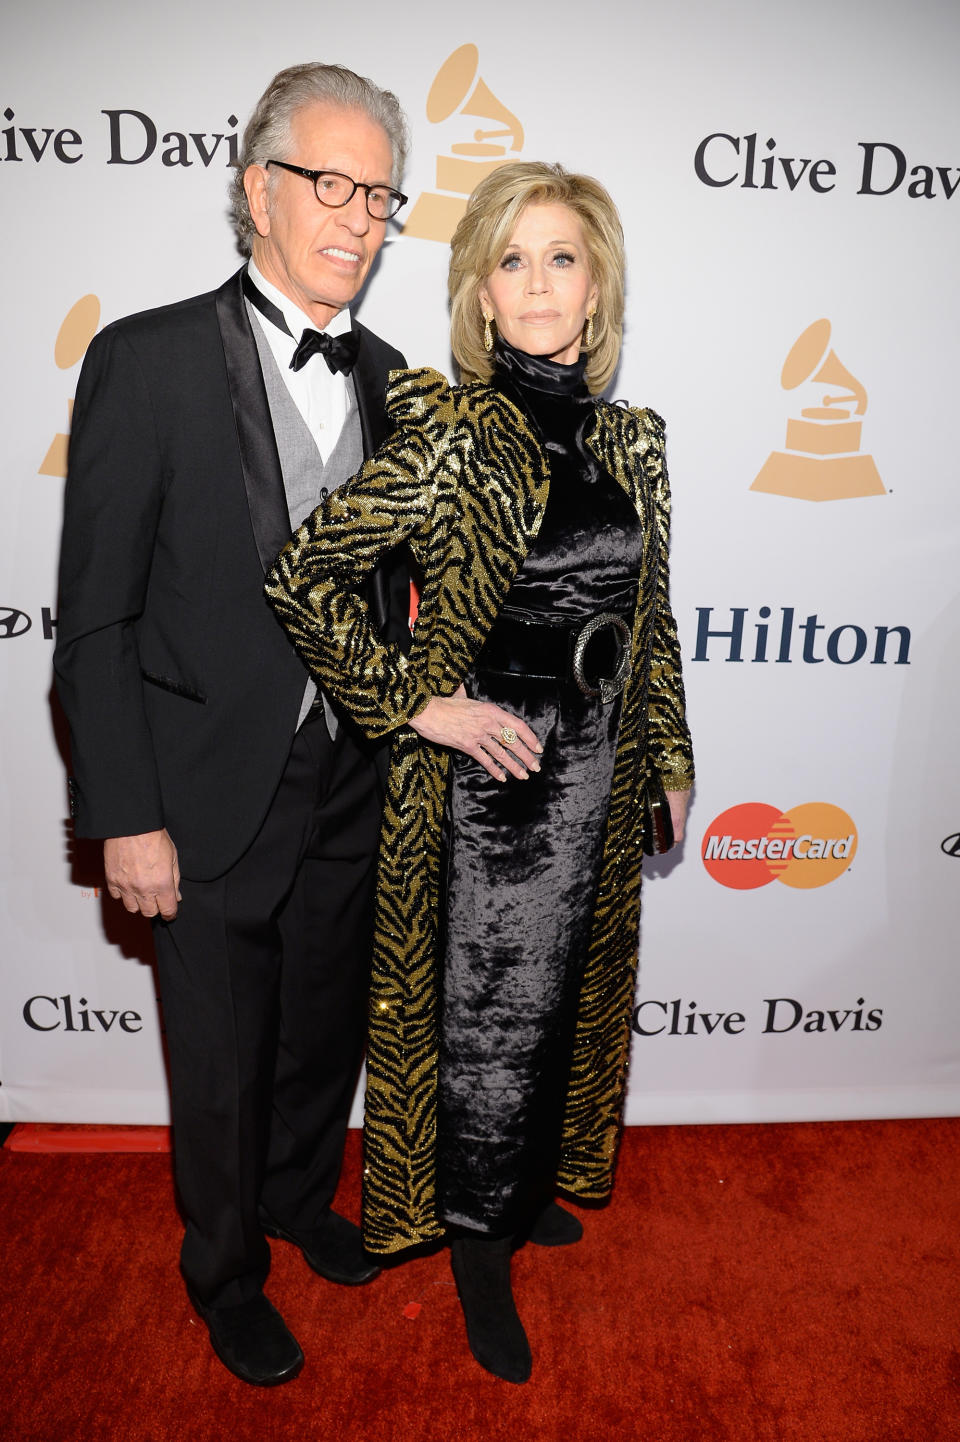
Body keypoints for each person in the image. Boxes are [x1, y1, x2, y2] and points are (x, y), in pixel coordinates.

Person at [265, 161, 695, 1383]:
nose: (541, 281)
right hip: (495, 796)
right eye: (513, 259)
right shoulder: (455, 432)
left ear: (597, 278)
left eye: (563, 256)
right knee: (488, 1029)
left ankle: (520, 1189)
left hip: (601, 775)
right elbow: (305, 574)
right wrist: (418, 702)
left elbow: (652, 619)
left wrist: (666, 751)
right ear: (480, 293)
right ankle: (474, 1245)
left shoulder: (633, 439)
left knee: (568, 1008)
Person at [53, 63, 411, 1387]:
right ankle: (224, 1273)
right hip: (198, 787)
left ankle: (298, 1196)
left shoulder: (390, 376)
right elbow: (94, 618)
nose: (359, 216)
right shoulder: (143, 361)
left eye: (379, 193)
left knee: (322, 1020)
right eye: (331, 182)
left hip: (352, 777)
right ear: (257, 189)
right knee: (216, 1051)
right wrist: (124, 812)